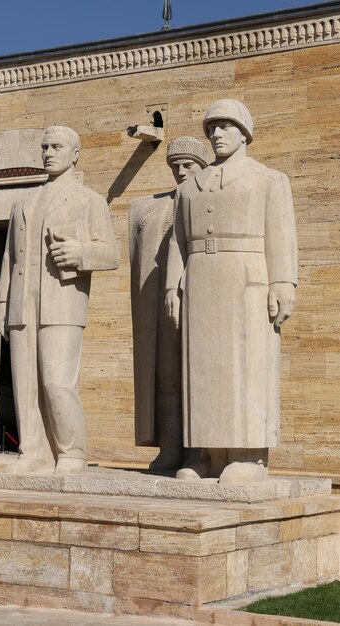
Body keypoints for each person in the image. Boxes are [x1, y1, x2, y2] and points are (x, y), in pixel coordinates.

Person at [166, 100, 298, 484]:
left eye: (225, 127)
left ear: (244, 132)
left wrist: (284, 281)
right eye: (212, 129)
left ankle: (248, 455)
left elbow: (281, 233)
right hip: (200, 278)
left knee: (246, 364)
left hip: (247, 276)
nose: (217, 135)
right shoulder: (190, 186)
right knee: (202, 365)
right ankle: (208, 453)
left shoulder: (267, 179)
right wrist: (174, 287)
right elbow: (177, 241)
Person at [0, 126, 119, 475]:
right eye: (45, 147)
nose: (49, 153)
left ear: (75, 154)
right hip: (23, 302)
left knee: (56, 380)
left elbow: (110, 253)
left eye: (57, 147)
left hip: (62, 300)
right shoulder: (23, 204)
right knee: (24, 381)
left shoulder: (88, 200)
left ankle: (71, 452)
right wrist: (2, 305)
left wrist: (79, 252)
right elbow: (9, 259)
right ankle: (32, 452)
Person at [129, 137, 208, 471]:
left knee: (199, 372)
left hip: (202, 299)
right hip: (160, 303)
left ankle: (199, 451)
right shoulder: (154, 206)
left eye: (188, 164)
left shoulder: (209, 199)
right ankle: (172, 446)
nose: (180, 171)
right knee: (166, 374)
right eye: (174, 165)